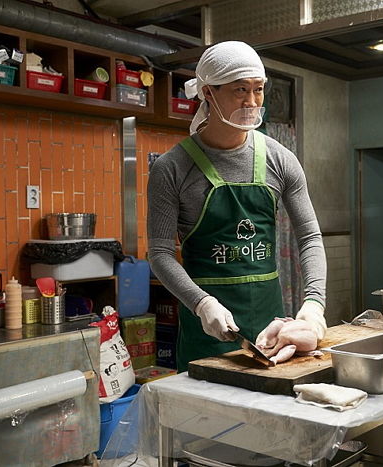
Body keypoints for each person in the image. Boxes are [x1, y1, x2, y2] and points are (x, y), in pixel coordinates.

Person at [147, 41, 327, 372]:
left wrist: (315, 303)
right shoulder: (171, 168)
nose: (251, 101)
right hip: (206, 333)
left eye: (258, 90)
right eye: (239, 90)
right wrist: (200, 303)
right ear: (208, 93)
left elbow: (310, 236)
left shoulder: (280, 159)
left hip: (272, 331)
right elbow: (159, 253)